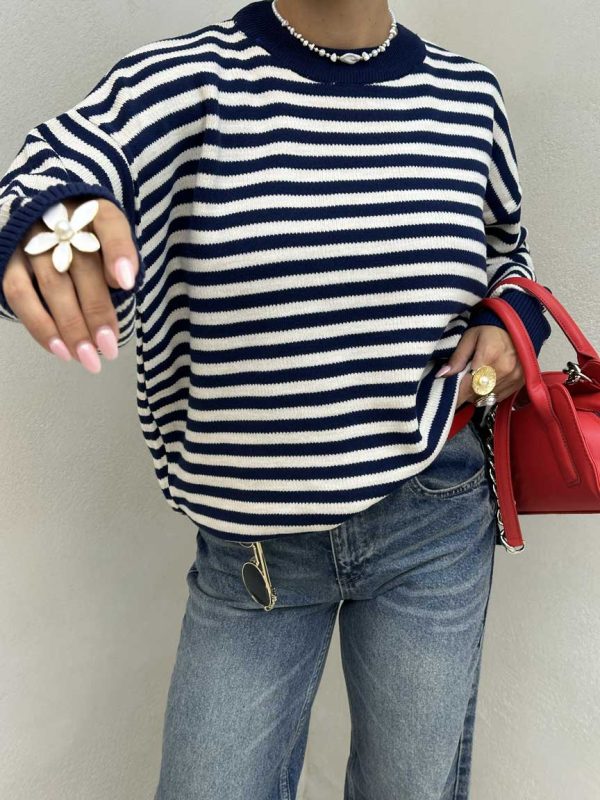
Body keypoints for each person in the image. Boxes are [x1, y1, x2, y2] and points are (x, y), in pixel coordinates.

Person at [0, 1, 553, 797]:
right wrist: (46, 228)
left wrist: (511, 320)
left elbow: (508, 252)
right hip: (254, 555)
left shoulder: (469, 99)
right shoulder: (180, 85)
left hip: (433, 514)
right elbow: (56, 170)